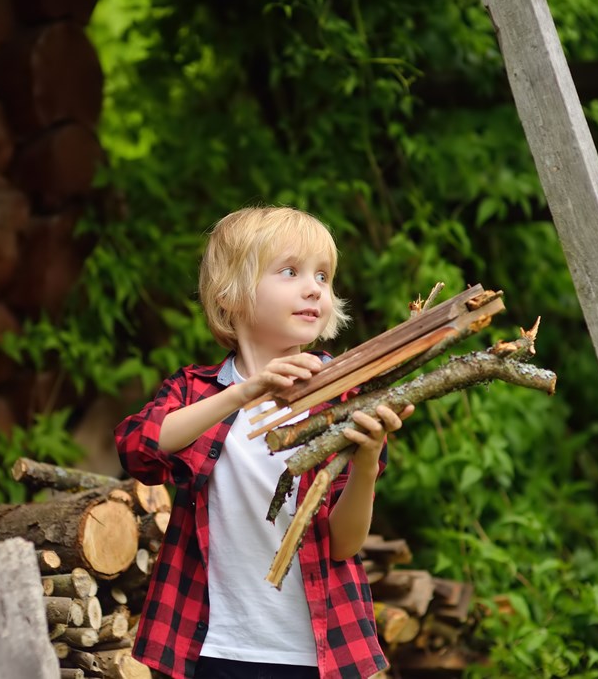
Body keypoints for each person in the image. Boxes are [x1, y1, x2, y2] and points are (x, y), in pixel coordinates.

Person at [115, 206, 414, 679]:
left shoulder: (342, 398)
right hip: (211, 646)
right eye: (290, 271)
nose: (314, 287)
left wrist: (368, 461)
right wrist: (244, 392)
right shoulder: (196, 393)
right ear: (230, 295)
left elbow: (344, 544)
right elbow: (138, 448)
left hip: (314, 652)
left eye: (323, 276)